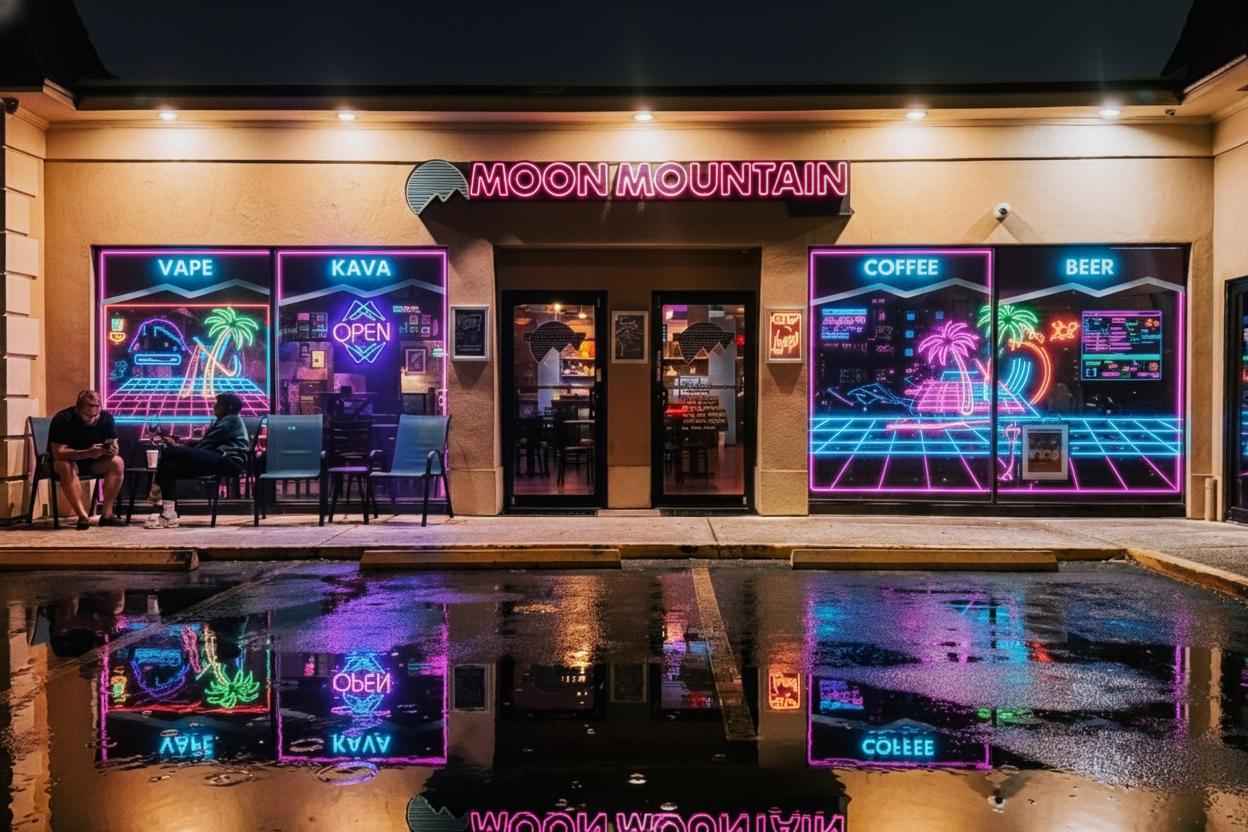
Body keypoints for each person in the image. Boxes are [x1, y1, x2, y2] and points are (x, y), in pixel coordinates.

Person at [145, 392, 250, 528]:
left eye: (218, 404)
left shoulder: (231, 419)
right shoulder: (221, 421)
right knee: (167, 466)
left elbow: (208, 444)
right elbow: (204, 444)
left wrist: (179, 449)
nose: (214, 406)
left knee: (169, 452)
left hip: (228, 461)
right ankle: (169, 514)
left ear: (227, 407)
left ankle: (156, 490)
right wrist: (183, 447)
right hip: (216, 458)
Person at [49, 389, 125, 530]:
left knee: (117, 462)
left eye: (95, 416)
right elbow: (58, 453)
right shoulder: (63, 419)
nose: (92, 419)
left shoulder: (105, 418)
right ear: (78, 409)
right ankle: (83, 517)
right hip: (68, 460)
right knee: (65, 465)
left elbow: (113, 443)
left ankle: (107, 515)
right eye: (88, 416)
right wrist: (87, 453)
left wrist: (112, 450)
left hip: (93, 461)